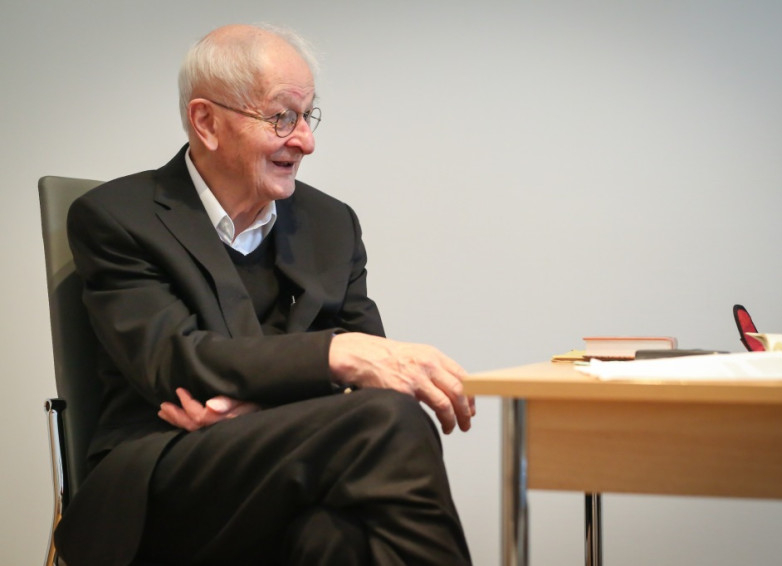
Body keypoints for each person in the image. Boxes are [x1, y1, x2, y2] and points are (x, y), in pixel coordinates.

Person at [54, 23, 475, 566]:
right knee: (388, 423)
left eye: (307, 116)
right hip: (165, 478)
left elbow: (370, 382)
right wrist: (334, 354)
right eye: (282, 117)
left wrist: (269, 404)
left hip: (287, 471)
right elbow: (175, 361)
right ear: (206, 122)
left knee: (333, 539)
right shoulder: (118, 218)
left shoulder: (332, 223)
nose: (305, 140)